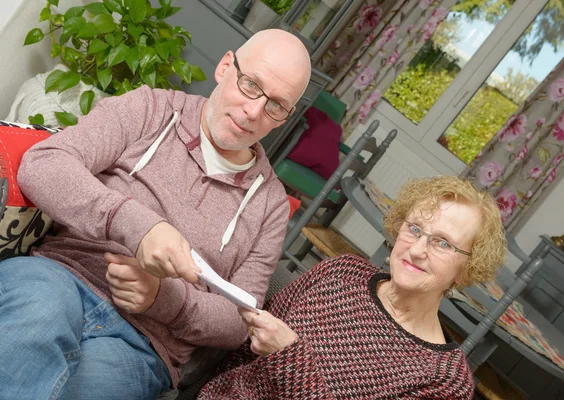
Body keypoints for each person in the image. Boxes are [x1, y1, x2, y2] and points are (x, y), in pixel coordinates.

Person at [0, 29, 311, 399]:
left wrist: (162, 299)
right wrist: (138, 226)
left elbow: (238, 322)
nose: (254, 111)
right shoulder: (150, 108)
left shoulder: (270, 204)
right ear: (226, 66)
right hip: (61, 276)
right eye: (250, 85)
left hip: (141, 346)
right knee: (34, 321)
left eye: (276, 105)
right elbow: (43, 165)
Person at [196, 176, 507, 399]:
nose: (416, 250)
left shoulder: (445, 380)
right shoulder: (342, 272)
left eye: (442, 243)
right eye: (414, 229)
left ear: (466, 270)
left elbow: (280, 353)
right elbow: (243, 352)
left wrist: (288, 357)